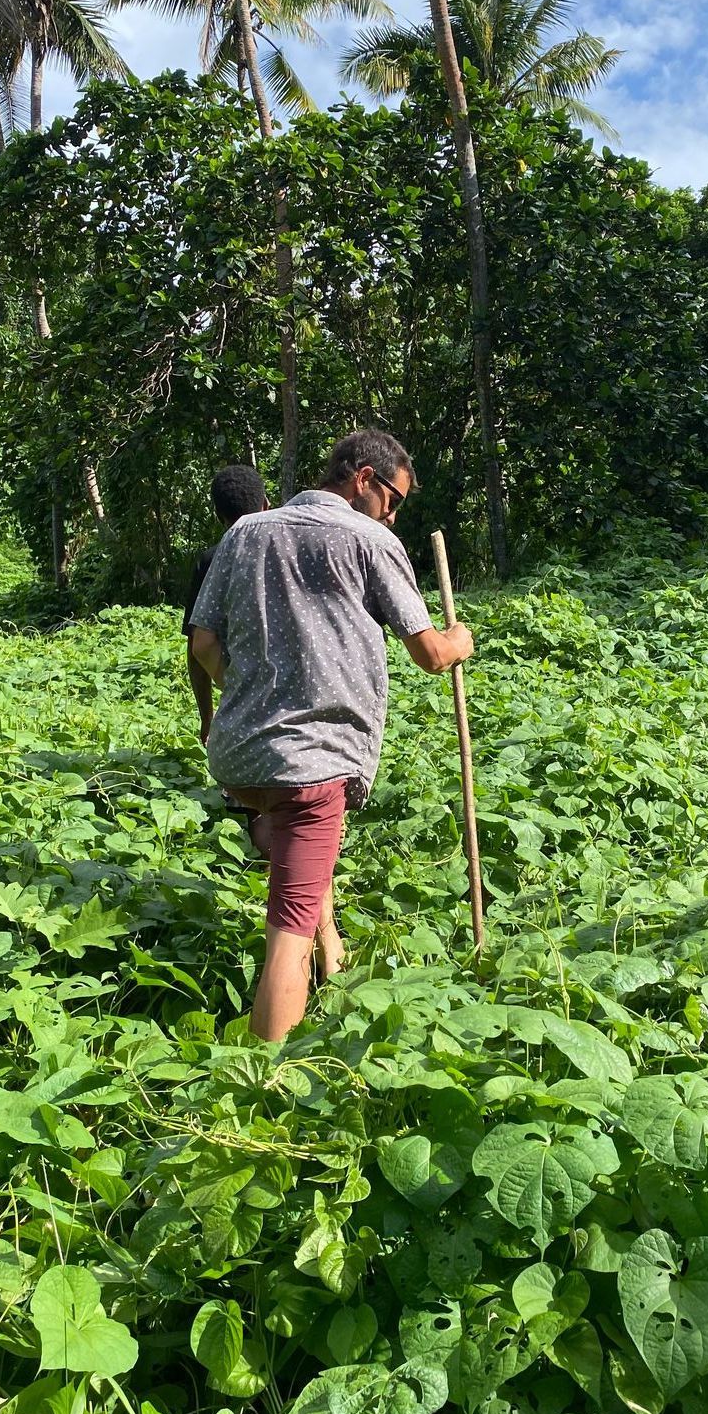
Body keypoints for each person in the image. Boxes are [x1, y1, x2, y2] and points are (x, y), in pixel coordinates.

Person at [188, 428, 474, 1042]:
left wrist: (247, 690)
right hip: (314, 765)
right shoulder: (369, 539)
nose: (394, 515)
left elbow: (204, 642)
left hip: (241, 757)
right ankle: (264, 1079)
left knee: (298, 852)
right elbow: (427, 651)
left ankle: (333, 959)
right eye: (393, 499)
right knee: (285, 930)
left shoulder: (244, 533)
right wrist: (460, 643)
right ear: (363, 479)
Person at [184, 465, 270, 744]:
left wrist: (207, 718)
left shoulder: (211, 560)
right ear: (267, 505)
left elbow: (198, 645)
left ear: (218, 515)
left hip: (239, 693)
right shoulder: (290, 554)